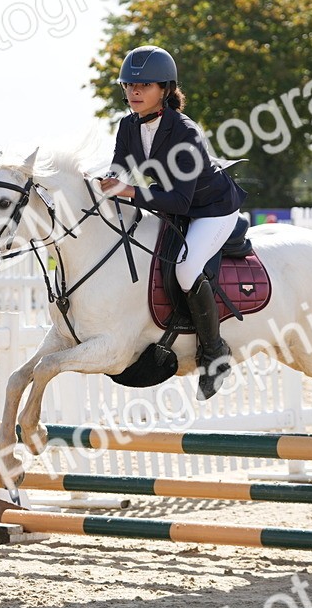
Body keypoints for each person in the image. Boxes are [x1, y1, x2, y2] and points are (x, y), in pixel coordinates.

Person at [99, 45, 248, 399]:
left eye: (144, 86)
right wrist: (102, 185)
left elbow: (180, 199)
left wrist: (130, 192)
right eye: (129, 86)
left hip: (211, 208)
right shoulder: (128, 125)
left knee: (185, 270)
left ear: (165, 89)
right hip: (172, 205)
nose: (134, 92)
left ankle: (214, 353)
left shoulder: (185, 132)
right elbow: (118, 168)